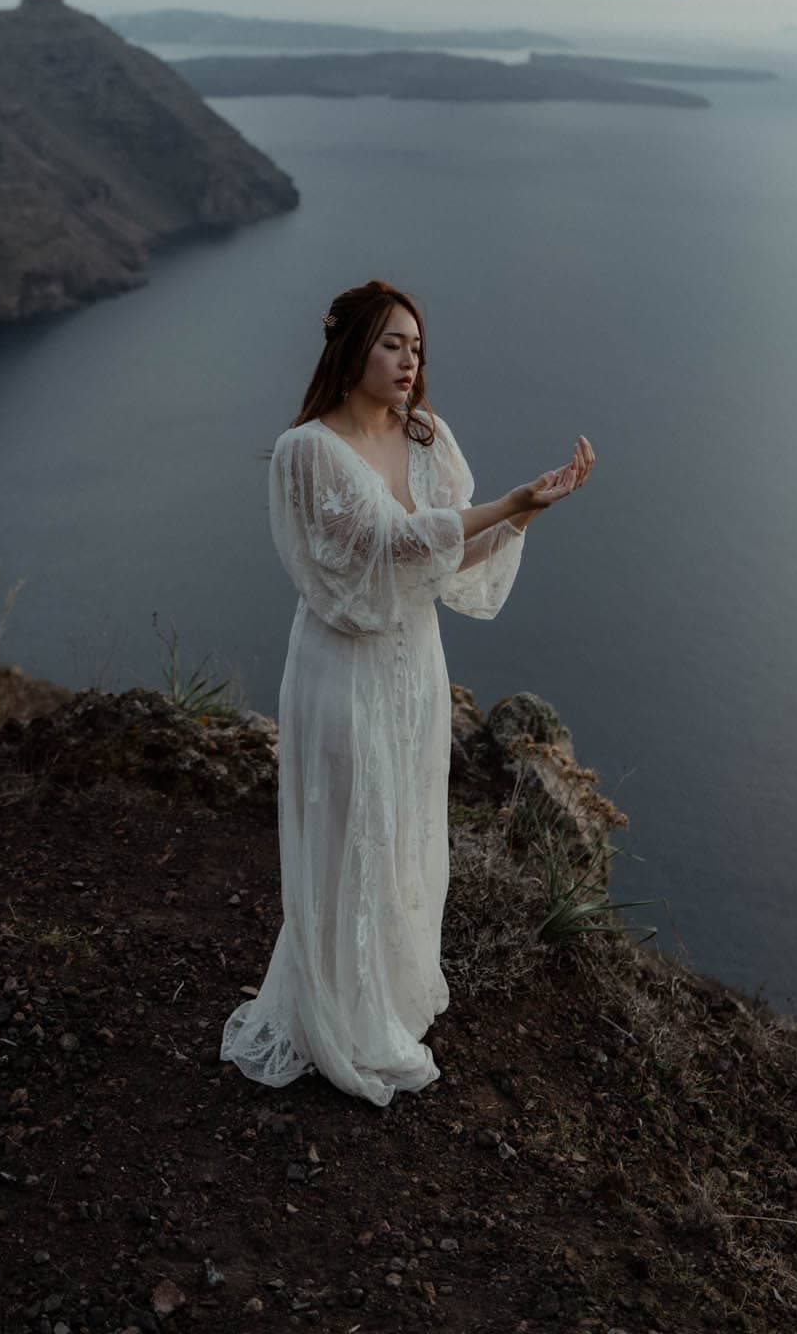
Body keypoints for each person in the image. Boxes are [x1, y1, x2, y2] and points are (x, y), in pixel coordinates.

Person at [219, 278, 594, 1107]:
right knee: (350, 829)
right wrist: (510, 501)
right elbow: (388, 544)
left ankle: (380, 999)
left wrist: (527, 515)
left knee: (403, 828)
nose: (409, 360)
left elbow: (442, 557)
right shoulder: (308, 451)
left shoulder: (426, 437)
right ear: (351, 347)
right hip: (341, 667)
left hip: (414, 666)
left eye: (417, 347)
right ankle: (335, 1018)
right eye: (393, 342)